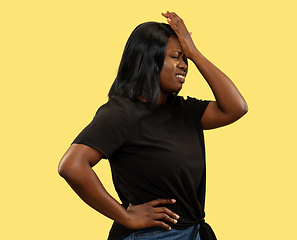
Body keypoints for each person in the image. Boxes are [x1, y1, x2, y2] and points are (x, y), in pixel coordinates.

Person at [58, 11, 248, 240]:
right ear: (149, 59)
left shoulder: (185, 111)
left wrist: (195, 53)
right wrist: (125, 216)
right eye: (176, 56)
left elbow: (236, 107)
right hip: (153, 235)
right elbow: (72, 165)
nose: (184, 65)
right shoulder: (122, 112)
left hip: (194, 232)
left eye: (185, 58)